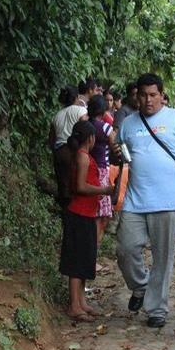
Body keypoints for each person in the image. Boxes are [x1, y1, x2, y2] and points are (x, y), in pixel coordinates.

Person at [116, 73, 175, 328]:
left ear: (162, 95)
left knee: (163, 258)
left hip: (169, 201)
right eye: (143, 95)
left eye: (153, 95)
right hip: (135, 201)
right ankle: (140, 286)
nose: (148, 100)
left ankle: (156, 309)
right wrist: (117, 151)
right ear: (136, 96)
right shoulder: (128, 123)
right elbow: (121, 153)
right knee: (125, 249)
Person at [60, 121, 114, 322]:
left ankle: (81, 302)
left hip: (86, 213)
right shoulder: (83, 158)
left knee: (83, 259)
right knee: (76, 261)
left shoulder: (81, 156)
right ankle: (74, 305)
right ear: (91, 138)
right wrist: (104, 190)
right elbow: (81, 187)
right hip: (80, 213)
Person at [50, 86, 88, 210]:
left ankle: (64, 211)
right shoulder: (81, 111)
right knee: (75, 184)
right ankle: (73, 213)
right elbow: (85, 129)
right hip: (73, 151)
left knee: (63, 185)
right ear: (77, 97)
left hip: (59, 152)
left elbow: (51, 139)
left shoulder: (57, 115)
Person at [88, 95, 116, 257]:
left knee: (94, 211)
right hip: (102, 171)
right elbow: (115, 146)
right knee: (103, 215)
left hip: (87, 170)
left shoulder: (85, 125)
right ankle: (93, 252)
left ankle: (91, 251)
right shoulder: (105, 127)